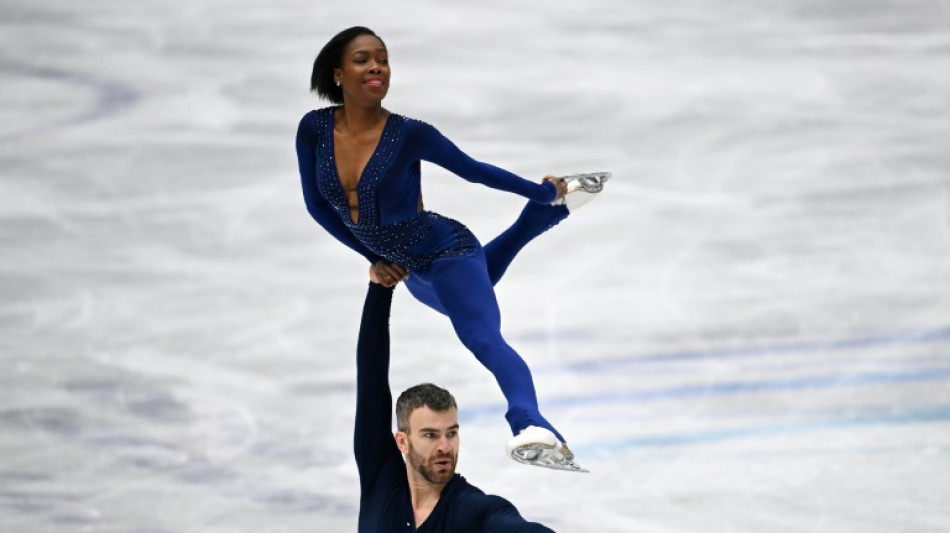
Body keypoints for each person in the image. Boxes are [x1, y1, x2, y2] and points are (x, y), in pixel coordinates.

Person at [297, 26, 606, 469]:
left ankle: (530, 422)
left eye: (382, 59)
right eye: (363, 59)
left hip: (447, 251)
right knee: (474, 293)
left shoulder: (408, 134)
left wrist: (539, 191)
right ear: (338, 74)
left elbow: (475, 171)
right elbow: (316, 205)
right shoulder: (313, 129)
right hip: (411, 271)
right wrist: (375, 259)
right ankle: (536, 222)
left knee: (480, 334)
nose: (376, 67)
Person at [355, 278, 556, 532]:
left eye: (451, 433)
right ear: (402, 441)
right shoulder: (380, 481)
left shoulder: (475, 511)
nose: (445, 447)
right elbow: (370, 380)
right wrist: (379, 290)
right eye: (430, 435)